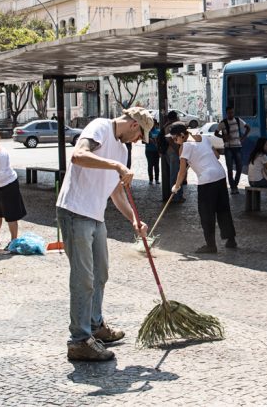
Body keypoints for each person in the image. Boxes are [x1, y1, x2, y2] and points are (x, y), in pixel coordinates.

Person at [57, 107, 152, 362]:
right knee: (83, 278)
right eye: (139, 136)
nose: (138, 141)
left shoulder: (122, 151)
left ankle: (95, 324)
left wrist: (134, 219)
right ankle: (78, 341)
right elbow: (78, 155)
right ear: (134, 125)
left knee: (101, 273)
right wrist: (115, 164)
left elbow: (116, 193)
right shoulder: (99, 127)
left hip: (95, 215)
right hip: (75, 211)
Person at [170, 122, 237, 253]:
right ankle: (231, 240)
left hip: (207, 180)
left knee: (206, 213)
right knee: (223, 209)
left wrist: (176, 186)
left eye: (175, 138)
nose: (175, 141)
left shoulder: (184, 147)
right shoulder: (204, 138)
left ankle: (211, 245)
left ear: (182, 135)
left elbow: (182, 172)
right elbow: (217, 156)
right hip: (220, 174)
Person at [216, 105, 251, 195]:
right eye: (229, 113)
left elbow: (248, 128)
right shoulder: (223, 123)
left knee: (239, 167)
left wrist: (243, 138)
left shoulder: (238, 120)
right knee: (230, 168)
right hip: (228, 148)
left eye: (232, 112)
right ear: (226, 113)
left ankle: (235, 184)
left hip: (238, 147)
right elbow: (216, 133)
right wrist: (224, 136)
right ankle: (233, 187)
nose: (231, 114)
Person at [161, 111, 185, 202]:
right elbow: (169, 140)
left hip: (170, 153)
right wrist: (178, 150)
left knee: (175, 174)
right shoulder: (171, 127)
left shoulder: (167, 126)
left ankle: (178, 196)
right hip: (173, 153)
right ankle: (176, 197)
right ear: (175, 117)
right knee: (175, 175)